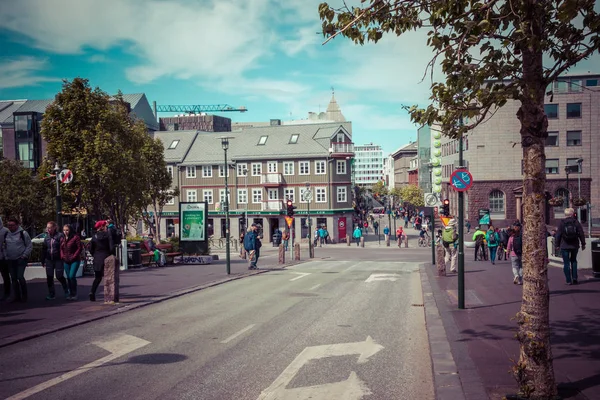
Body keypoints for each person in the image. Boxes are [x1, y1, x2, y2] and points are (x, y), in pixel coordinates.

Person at [4, 218, 32, 302]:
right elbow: (4, 246)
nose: (10, 227)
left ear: (17, 225)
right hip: (10, 259)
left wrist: (24, 255)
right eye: (9, 225)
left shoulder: (23, 233)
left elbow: (29, 245)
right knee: (13, 278)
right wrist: (6, 256)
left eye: (12, 225)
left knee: (20, 276)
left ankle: (24, 295)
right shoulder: (7, 234)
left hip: (20, 259)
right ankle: (17, 296)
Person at [555, 207, 586, 285]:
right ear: (572, 214)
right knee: (574, 260)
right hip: (574, 245)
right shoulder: (576, 222)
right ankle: (575, 278)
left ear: (565, 214)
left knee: (566, 263)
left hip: (564, 245)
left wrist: (557, 245)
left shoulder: (562, 223)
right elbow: (581, 233)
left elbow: (558, 235)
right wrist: (583, 244)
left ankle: (568, 280)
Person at [42, 221, 69, 300]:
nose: (49, 229)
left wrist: (64, 257)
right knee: (49, 277)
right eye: (48, 228)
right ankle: (51, 293)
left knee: (59, 276)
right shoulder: (46, 237)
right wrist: (42, 259)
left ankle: (66, 290)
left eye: (50, 227)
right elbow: (44, 249)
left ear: (54, 227)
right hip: (49, 259)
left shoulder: (60, 236)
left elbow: (64, 247)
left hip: (58, 259)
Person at [89, 220, 114, 301]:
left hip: (97, 258)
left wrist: (95, 255)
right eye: (105, 226)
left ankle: (92, 291)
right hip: (106, 257)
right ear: (102, 227)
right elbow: (111, 247)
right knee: (109, 277)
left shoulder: (94, 236)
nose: (106, 227)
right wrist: (111, 254)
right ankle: (109, 295)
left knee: (98, 277)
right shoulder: (108, 235)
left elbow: (90, 249)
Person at [60, 224, 82, 300]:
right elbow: (61, 249)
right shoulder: (62, 238)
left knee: (72, 276)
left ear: (70, 230)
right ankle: (70, 292)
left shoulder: (75, 237)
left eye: (67, 230)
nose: (65, 232)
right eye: (64, 230)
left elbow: (79, 248)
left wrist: (74, 256)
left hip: (74, 260)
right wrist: (62, 256)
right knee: (68, 277)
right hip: (66, 260)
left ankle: (74, 292)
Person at [0, 217, 10, 301]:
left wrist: (5, 255)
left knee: (5, 276)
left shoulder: (5, 231)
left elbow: (8, 244)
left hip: (3, 257)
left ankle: (7, 293)